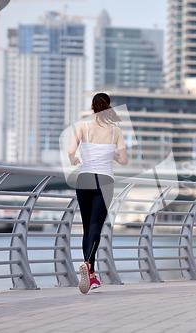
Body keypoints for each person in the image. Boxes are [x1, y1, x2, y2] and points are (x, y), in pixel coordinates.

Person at [68, 92, 128, 294]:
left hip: (84, 179)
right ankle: (88, 264)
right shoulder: (115, 132)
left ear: (92, 108)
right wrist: (113, 154)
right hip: (104, 180)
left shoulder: (82, 127)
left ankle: (90, 274)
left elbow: (71, 151)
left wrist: (74, 160)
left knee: (87, 228)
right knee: (96, 227)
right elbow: (124, 160)